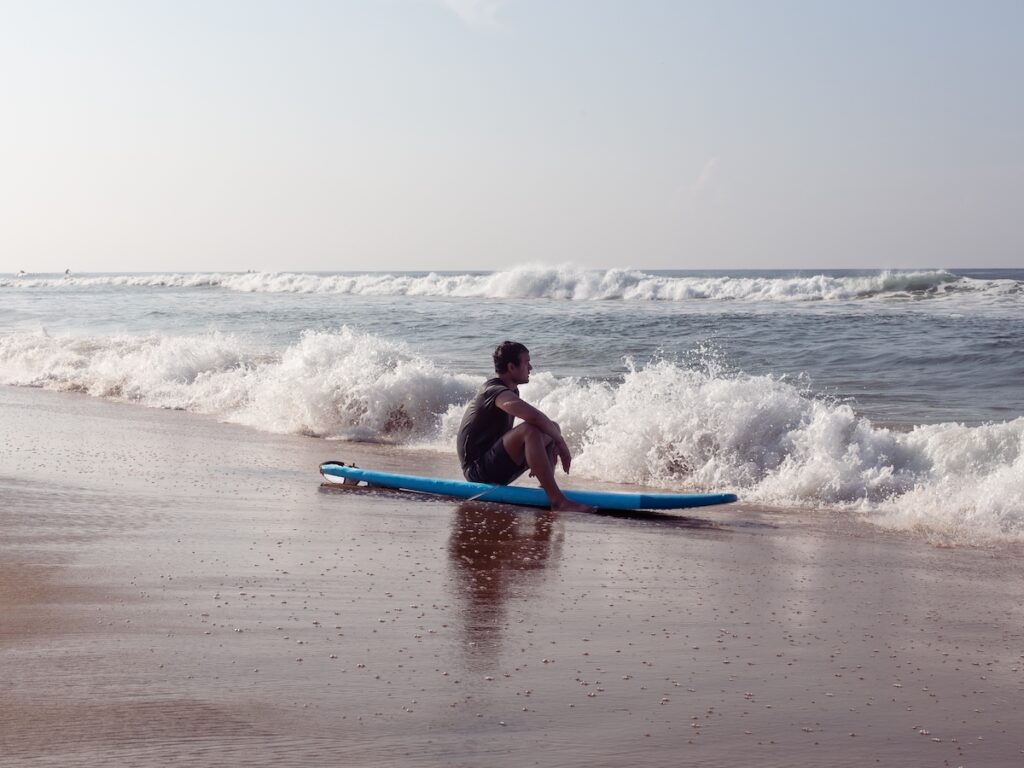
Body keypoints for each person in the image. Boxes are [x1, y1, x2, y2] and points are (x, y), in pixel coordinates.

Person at [457, 341, 594, 513]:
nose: (531, 367)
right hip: (477, 471)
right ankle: (557, 500)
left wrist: (548, 443)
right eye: (526, 362)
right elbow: (533, 416)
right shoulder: (494, 391)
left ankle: (545, 489)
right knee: (530, 429)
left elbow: (540, 424)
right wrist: (562, 444)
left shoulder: (511, 391)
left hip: (494, 466)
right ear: (511, 367)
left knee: (552, 427)